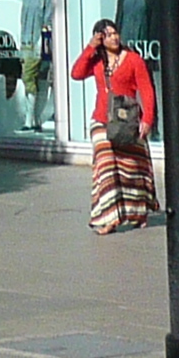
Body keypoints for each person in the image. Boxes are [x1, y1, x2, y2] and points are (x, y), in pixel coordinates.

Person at [73, 19, 158, 233]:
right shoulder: (97, 62)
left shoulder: (133, 60)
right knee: (106, 165)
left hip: (127, 121)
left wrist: (147, 120)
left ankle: (138, 210)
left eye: (115, 33)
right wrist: (91, 47)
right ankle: (109, 217)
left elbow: (147, 91)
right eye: (108, 35)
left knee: (133, 168)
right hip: (102, 120)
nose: (114, 38)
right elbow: (76, 73)